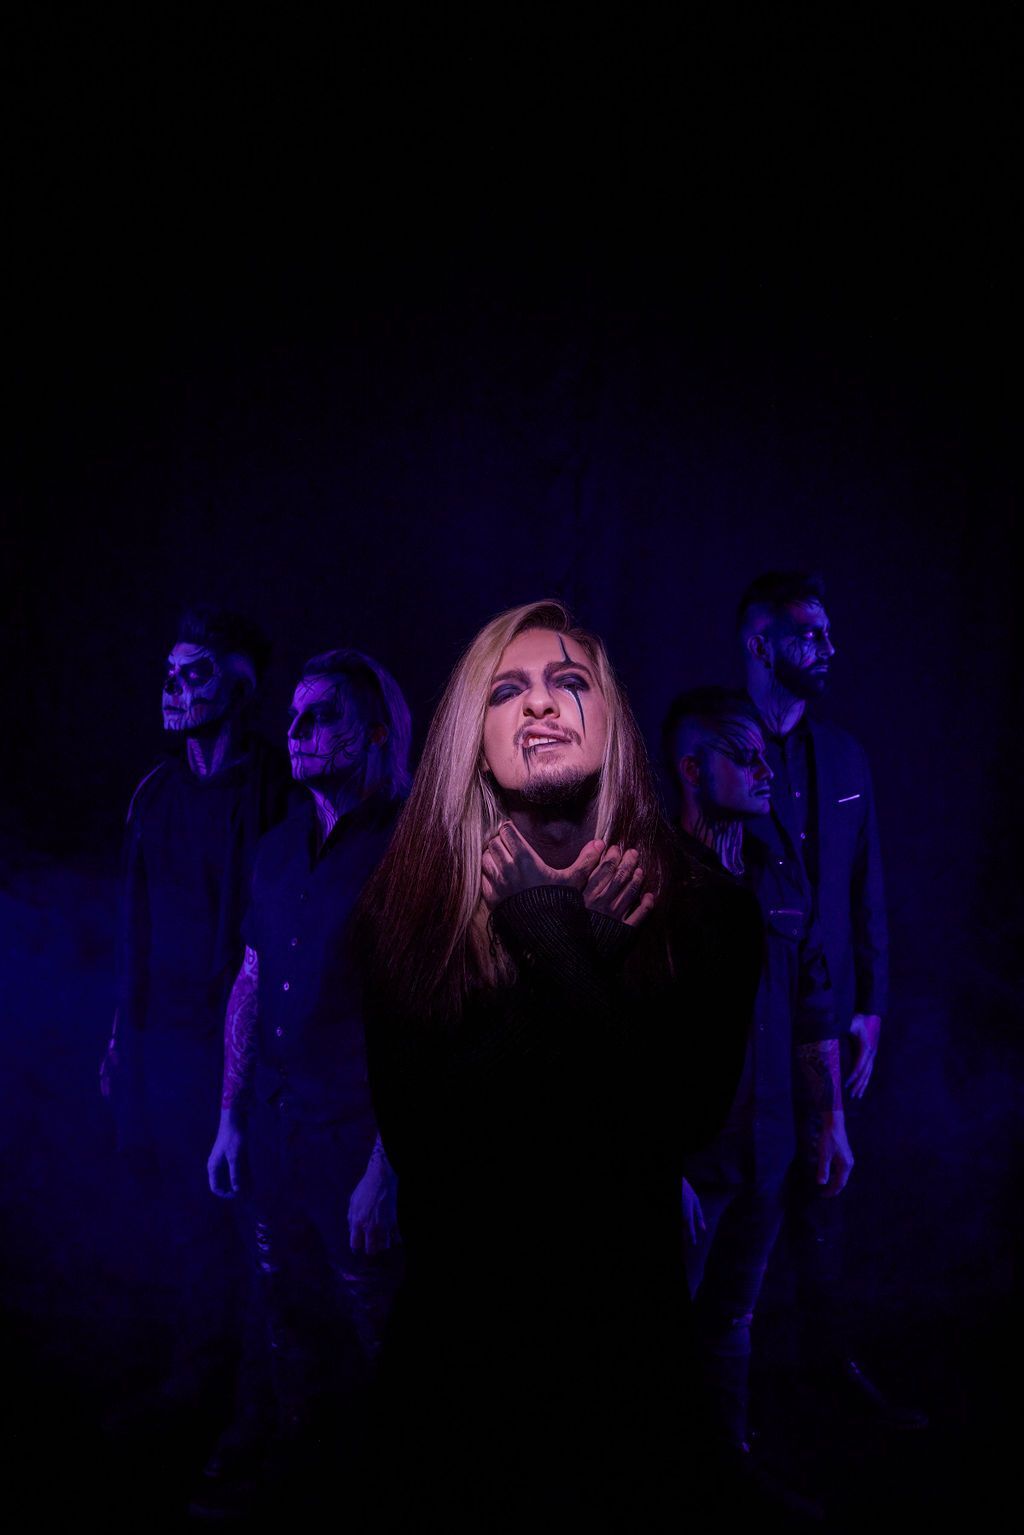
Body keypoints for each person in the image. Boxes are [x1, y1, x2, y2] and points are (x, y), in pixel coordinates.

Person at [358, 600, 763, 1526]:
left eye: (569, 681)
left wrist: (554, 947)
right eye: (507, 691)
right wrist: (575, 957)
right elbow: (432, 1149)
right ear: (474, 739)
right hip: (457, 1365)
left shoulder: (709, 910)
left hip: (629, 1365)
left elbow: (675, 1123)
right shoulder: (403, 914)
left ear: (613, 721)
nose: (540, 703)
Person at [206, 648, 410, 1505]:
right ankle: (295, 1474)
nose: (295, 731)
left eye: (321, 715)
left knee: (381, 1327)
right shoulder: (281, 846)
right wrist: (231, 1117)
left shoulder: (414, 848)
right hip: (276, 1127)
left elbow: (432, 1020)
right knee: (283, 1311)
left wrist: (386, 1169)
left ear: (375, 732)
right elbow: (251, 978)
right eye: (292, 714)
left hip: (359, 1138)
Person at [738, 570, 925, 1427]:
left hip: (832, 1016)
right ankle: (731, 1385)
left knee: (825, 1189)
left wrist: (872, 1005)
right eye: (809, 634)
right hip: (746, 1022)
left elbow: (865, 887)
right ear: (761, 643)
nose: (828, 649)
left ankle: (827, 1365)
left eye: (826, 631)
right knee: (749, 1190)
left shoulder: (846, 755)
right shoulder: (719, 749)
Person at [103, 607, 291, 1450]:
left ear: (241, 686)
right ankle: (196, 1387)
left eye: (197, 673)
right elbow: (133, 924)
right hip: (169, 1042)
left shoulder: (274, 787)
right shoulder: (154, 793)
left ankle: (263, 1410)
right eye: (169, 673)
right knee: (189, 1219)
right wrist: (123, 1038)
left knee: (257, 1225)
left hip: (246, 1041)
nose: (174, 689)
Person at [662, 686, 848, 1473]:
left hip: (766, 1149)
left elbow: (813, 1004)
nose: (766, 770)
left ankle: (728, 1472)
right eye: (744, 757)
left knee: (732, 1318)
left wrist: (828, 1118)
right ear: (693, 769)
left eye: (765, 756)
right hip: (688, 1161)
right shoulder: (651, 879)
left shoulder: (777, 868)